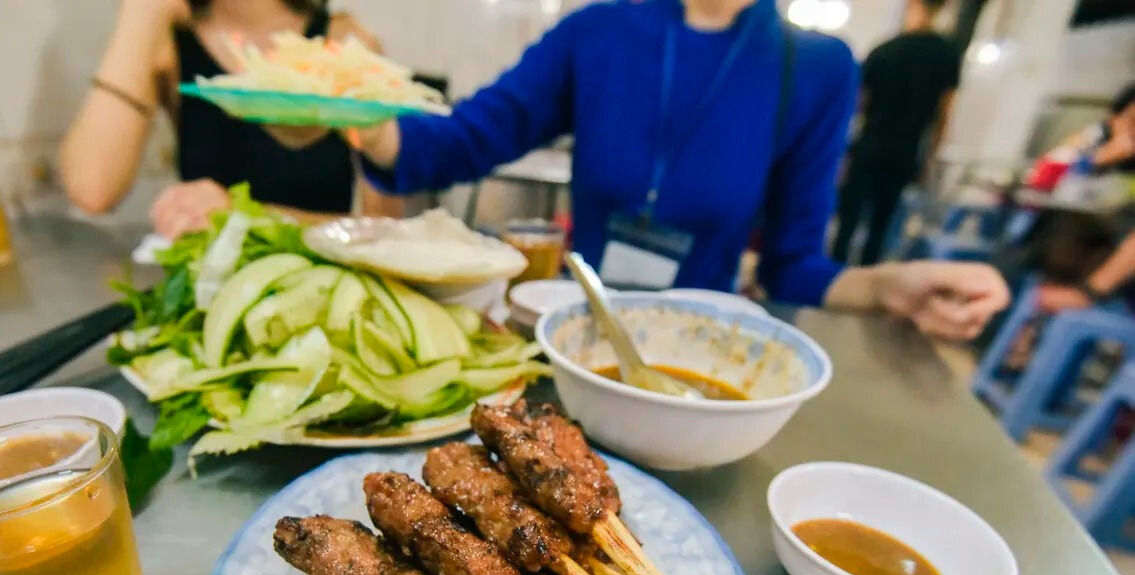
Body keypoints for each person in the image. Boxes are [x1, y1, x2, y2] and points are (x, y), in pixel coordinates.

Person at [349, 0, 1006, 340]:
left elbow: (792, 266)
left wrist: (890, 285)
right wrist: (367, 123)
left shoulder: (815, 67)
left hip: (697, 349)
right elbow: (459, 144)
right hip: (570, 330)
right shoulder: (597, 33)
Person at [60, 0, 399, 238]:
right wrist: (141, 13)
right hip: (214, 297)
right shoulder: (170, 44)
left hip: (318, 296)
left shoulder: (345, 44)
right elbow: (92, 189)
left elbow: (383, 231)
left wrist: (247, 217)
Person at [830, 0, 961, 266]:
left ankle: (833, 277)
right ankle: (864, 283)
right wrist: (929, 159)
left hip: (869, 144)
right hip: (906, 149)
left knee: (848, 220)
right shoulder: (947, 54)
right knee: (882, 224)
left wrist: (840, 152)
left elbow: (857, 106)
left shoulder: (885, 49)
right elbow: (943, 114)